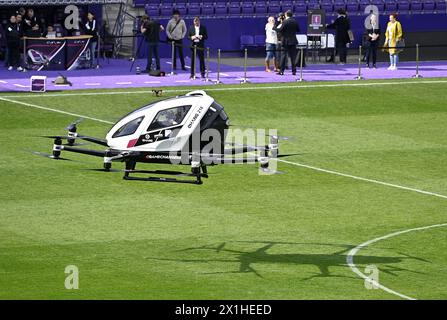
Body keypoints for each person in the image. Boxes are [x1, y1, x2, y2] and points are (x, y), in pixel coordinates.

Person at [274, 10, 299, 76]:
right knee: (293, 57)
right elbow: (298, 30)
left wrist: (276, 25)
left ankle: (281, 71)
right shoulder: (295, 21)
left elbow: (279, 30)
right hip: (293, 41)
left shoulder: (285, 22)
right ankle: (294, 71)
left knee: (283, 56)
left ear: (286, 14)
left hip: (285, 41)